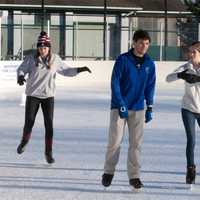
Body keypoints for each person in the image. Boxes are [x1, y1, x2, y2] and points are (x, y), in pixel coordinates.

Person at [16, 31, 91, 164]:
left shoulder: (55, 59)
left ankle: (48, 152)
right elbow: (21, 69)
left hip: (48, 96)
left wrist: (79, 69)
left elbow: (66, 71)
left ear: (49, 47)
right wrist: (21, 76)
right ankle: (24, 141)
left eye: (45, 47)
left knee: (49, 125)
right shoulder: (31, 58)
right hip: (33, 95)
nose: (42, 50)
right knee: (29, 122)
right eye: (40, 47)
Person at [102, 30, 156, 189]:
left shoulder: (149, 64)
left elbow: (150, 86)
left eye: (147, 44)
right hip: (119, 108)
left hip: (138, 108)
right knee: (115, 142)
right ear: (133, 43)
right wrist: (120, 103)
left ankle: (134, 176)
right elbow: (115, 83)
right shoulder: (123, 60)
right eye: (141, 43)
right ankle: (108, 172)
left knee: (136, 144)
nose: (144, 46)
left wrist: (150, 106)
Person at [166, 41, 200, 184]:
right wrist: (180, 75)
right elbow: (168, 78)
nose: (190, 54)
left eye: (194, 52)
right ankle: (190, 169)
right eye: (189, 51)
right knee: (191, 139)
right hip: (188, 109)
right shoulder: (186, 67)